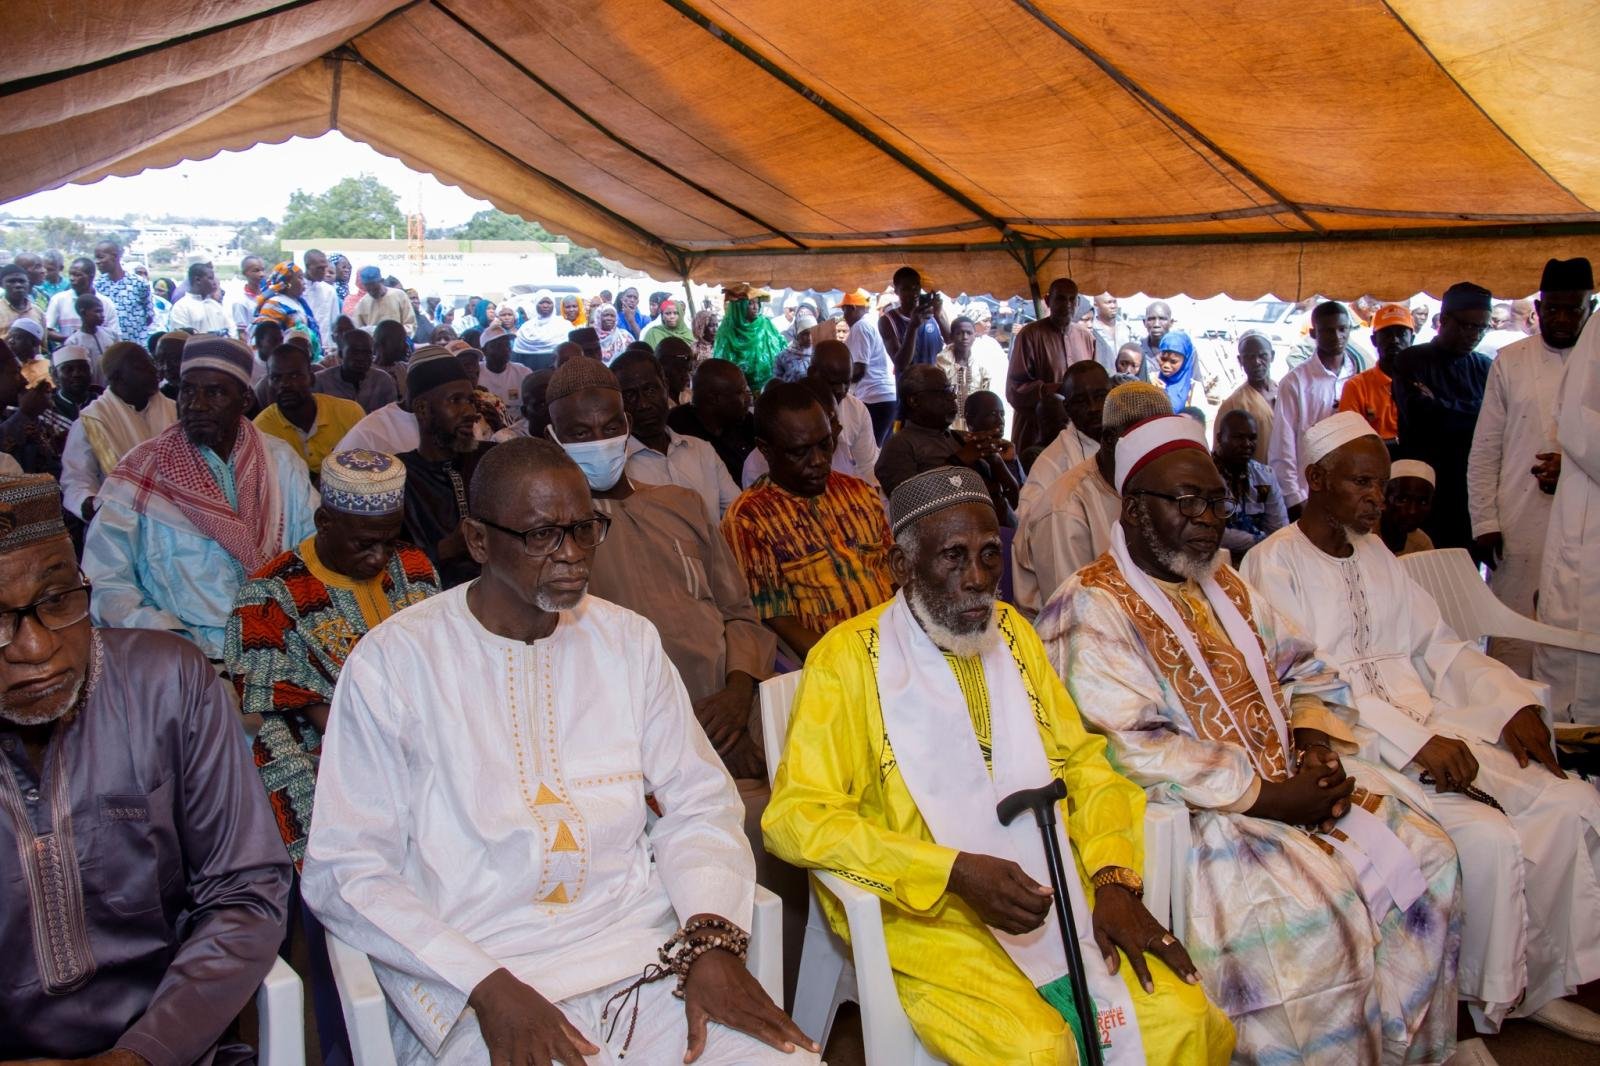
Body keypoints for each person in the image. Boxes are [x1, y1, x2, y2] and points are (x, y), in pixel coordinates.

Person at [300, 437, 819, 1066]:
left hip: (643, 957)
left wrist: (708, 940)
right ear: (479, 540)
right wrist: (488, 988)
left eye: (584, 529)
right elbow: (346, 868)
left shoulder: (627, 641)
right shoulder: (394, 664)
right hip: (480, 983)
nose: (573, 555)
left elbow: (699, 803)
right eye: (544, 535)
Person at [765, 464, 1235, 1064]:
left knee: (1184, 1018)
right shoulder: (847, 662)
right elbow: (796, 817)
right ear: (901, 568)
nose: (979, 580)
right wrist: (952, 872)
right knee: (1037, 1048)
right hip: (923, 908)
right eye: (954, 558)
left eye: (990, 555)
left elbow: (1085, 762)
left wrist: (1115, 881)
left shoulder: (1012, 633)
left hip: (1053, 878)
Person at [1037, 414, 1463, 1064]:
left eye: (1216, 500)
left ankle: (1395, 1050)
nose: (1209, 517)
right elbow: (1131, 745)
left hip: (1288, 787)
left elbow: (1308, 668)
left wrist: (1316, 747)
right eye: (1187, 501)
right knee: (1319, 916)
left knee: (1431, 853)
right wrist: (1270, 797)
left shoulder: (1227, 584)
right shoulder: (1089, 606)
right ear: (1133, 507)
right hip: (1200, 821)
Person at [1243, 414, 1600, 1040]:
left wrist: (1508, 702)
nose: (1378, 498)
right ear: (1317, 479)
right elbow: (1307, 691)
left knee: (1570, 801)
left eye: (1380, 483)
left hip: (1432, 722)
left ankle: (1540, 981)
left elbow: (1439, 647)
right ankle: (1474, 1004)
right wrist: (1415, 744)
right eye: (1362, 483)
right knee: (1487, 837)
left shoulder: (1380, 555)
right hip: (1357, 748)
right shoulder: (1273, 565)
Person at [0, 473, 293, 1064]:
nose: (34, 648)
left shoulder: (169, 683)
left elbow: (246, 890)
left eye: (57, 600)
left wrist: (143, 1053)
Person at [545, 359, 776, 786]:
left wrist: (738, 697)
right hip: (631, 738)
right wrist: (690, 729)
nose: (599, 441)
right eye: (580, 433)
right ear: (553, 438)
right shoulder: (552, 537)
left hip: (733, 708)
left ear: (627, 425)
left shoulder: (681, 504)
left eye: (610, 427)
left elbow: (739, 612)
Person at [226, 449, 439, 867]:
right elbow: (292, 708)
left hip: (424, 740)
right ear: (324, 523)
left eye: (389, 540)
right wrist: (392, 750)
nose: (379, 558)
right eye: (364, 543)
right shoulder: (269, 596)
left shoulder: (413, 566)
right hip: (326, 759)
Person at [83, 336, 319, 660]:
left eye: (215, 392)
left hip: (280, 643)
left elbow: (312, 549)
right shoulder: (142, 473)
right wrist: (172, 641)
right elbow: (107, 582)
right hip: (184, 657)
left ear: (245, 398)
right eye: (187, 390)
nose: (196, 404)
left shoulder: (280, 461)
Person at [1468, 257, 1592, 674]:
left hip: (1586, 526)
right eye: (1551, 308)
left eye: (1571, 308)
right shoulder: (1511, 360)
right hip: (1519, 523)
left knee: (1576, 640)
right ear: (1537, 309)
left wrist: (1573, 470)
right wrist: (1484, 520)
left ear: (1589, 307)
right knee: (1514, 642)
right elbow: (1486, 448)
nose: (1560, 318)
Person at [722, 383, 893, 660]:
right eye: (799, 451)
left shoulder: (859, 492)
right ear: (765, 450)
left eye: (825, 444)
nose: (819, 461)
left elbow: (896, 581)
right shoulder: (748, 520)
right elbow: (779, 620)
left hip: (895, 647)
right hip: (831, 665)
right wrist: (855, 663)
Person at [1012, 381, 1172, 615]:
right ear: (1109, 440)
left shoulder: (1147, 485)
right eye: (1145, 444)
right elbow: (1073, 615)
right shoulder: (1065, 509)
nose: (1158, 456)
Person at [1392, 281, 1495, 553]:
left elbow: (1494, 425)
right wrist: (1475, 409)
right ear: (1444, 319)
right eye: (1467, 325)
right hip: (1423, 498)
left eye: (1481, 327)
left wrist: (1445, 405)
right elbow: (1426, 418)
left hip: (1470, 494)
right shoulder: (1411, 360)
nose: (1474, 334)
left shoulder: (1485, 367)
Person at [396, 350, 494, 589]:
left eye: (470, 400)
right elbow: (389, 568)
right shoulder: (398, 477)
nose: (470, 412)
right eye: (456, 401)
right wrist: (449, 548)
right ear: (422, 410)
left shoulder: (492, 459)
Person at [608, 350, 740, 526]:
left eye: (650, 389)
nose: (643, 404)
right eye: (629, 395)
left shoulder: (702, 450)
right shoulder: (615, 468)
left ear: (666, 387)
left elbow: (738, 515)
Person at [60, 341, 175, 522]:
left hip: (178, 521)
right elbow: (76, 480)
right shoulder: (91, 422)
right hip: (122, 523)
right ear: (117, 377)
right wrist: (89, 503)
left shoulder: (174, 410)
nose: (155, 370)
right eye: (142, 367)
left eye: (152, 363)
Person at [876, 365, 1017, 509]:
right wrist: (958, 461)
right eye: (944, 391)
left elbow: (1015, 501)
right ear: (914, 401)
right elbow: (908, 505)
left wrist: (996, 460)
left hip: (998, 525)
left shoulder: (963, 438)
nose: (953, 396)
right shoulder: (899, 446)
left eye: (951, 389)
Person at [1270, 301, 1360, 519]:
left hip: (1349, 492)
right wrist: (1295, 497)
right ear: (1313, 333)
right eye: (1328, 330)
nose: (1337, 336)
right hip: (1308, 492)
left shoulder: (1357, 375)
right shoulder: (1295, 382)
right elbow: (1283, 446)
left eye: (1342, 329)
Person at [1007, 277, 1098, 452]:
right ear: (1048, 301)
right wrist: (1054, 390)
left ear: (1078, 302)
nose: (1067, 305)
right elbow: (1014, 389)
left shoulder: (1086, 338)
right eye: (1061, 298)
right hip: (1036, 433)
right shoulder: (1029, 335)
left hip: (1077, 433)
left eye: (1072, 299)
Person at [254, 343, 366, 484]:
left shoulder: (350, 413)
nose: (285, 384)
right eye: (276, 378)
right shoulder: (260, 431)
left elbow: (368, 470)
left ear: (311, 379)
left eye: (294, 376)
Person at [1017, 361, 1109, 515]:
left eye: (1100, 396)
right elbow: (1027, 518)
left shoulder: (1128, 442)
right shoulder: (1053, 461)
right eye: (1081, 401)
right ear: (1067, 408)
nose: (1093, 407)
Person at [1212, 409, 1286, 563]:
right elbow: (1212, 532)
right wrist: (1258, 541)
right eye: (1238, 437)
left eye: (1252, 438)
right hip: (1214, 561)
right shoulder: (1205, 476)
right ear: (1220, 438)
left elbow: (1279, 530)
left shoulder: (1265, 476)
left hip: (1261, 561)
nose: (1246, 444)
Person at [669, 357, 757, 483]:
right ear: (714, 399)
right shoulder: (678, 429)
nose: (748, 399)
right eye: (740, 392)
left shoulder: (745, 421)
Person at [805, 338, 880, 484]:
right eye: (833, 383)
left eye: (846, 382)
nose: (841, 390)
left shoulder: (857, 410)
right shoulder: (792, 411)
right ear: (812, 373)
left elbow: (868, 467)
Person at [1338, 303, 1414, 443]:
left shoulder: (1425, 382)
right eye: (1387, 334)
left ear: (1412, 339)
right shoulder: (1356, 387)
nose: (1395, 340)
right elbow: (1350, 441)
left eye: (1401, 333)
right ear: (1374, 341)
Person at [841, 288, 897, 442]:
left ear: (852, 308)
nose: (843, 316)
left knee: (869, 451)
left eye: (844, 311)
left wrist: (838, 381)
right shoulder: (871, 323)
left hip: (874, 397)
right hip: (885, 397)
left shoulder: (860, 327)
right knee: (880, 450)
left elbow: (859, 369)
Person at [937, 315, 1009, 434]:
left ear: (975, 336)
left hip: (975, 424)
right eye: (959, 333)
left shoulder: (982, 363)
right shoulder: (942, 363)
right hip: (947, 424)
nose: (964, 337)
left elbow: (987, 395)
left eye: (969, 333)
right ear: (951, 337)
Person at [1213, 332, 1275, 464]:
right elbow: (1219, 452)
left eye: (1262, 355)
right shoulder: (1233, 404)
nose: (1256, 362)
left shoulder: (1284, 391)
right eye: (1249, 357)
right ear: (1240, 360)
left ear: (1272, 356)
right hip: (1255, 481)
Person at [877, 266, 948, 378]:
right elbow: (901, 364)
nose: (913, 293)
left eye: (916, 288)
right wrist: (912, 327)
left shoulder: (933, 313)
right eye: (906, 289)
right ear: (896, 291)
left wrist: (939, 317)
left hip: (936, 385)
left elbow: (952, 343)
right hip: (909, 391)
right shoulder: (888, 321)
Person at [713, 284, 785, 392]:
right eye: (750, 303)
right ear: (738, 306)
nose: (756, 307)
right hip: (740, 392)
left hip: (770, 387)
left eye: (757, 303)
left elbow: (782, 348)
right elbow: (722, 366)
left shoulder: (766, 325)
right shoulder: (727, 332)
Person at [315, 326, 399, 414]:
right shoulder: (321, 382)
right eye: (355, 352)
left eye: (367, 353)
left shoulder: (383, 380)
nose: (361, 358)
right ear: (340, 354)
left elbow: (392, 416)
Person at [253, 259, 323, 361]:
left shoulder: (300, 302)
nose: (304, 282)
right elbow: (269, 340)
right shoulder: (273, 305)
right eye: (300, 278)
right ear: (287, 283)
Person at [45, 256, 118, 346]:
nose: (72, 278)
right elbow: (47, 331)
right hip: (71, 355)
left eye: (77, 275)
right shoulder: (58, 299)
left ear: (91, 276)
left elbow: (114, 335)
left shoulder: (106, 303)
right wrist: (72, 339)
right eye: (70, 274)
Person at [93, 240, 153, 341]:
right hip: (109, 347)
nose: (97, 262)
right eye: (96, 258)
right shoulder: (97, 285)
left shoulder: (138, 283)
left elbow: (149, 316)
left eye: (101, 257)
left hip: (136, 346)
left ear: (115, 256)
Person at [1379, 459, 1437, 556]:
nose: (1412, 511)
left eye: (1422, 502)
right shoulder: (1360, 538)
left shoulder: (1421, 545)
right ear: (1383, 499)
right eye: (1403, 500)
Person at [165, 262, 231, 336]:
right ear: (198, 280)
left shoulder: (215, 305)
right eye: (210, 278)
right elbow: (180, 338)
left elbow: (230, 330)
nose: (214, 283)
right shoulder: (181, 307)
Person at [477, 326, 533, 407]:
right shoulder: (476, 373)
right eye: (498, 345)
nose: (505, 349)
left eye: (507, 344)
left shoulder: (523, 373)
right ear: (484, 351)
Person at [512, 290, 569, 368]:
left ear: (554, 304)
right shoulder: (526, 327)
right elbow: (517, 354)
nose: (545, 306)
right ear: (536, 304)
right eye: (541, 302)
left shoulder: (564, 326)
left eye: (549, 302)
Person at [352, 265, 417, 333]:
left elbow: (411, 324)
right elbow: (358, 331)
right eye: (369, 290)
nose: (372, 293)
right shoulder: (363, 304)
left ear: (382, 281)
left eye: (375, 289)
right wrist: (372, 331)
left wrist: (393, 332)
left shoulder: (399, 296)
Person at [1088, 291, 1137, 371]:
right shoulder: (1091, 329)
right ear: (1096, 304)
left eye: (1114, 302)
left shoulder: (1127, 328)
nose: (1113, 306)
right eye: (1108, 303)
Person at [50, 343, 100, 419]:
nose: (77, 374)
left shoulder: (102, 402)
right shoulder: (48, 408)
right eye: (69, 370)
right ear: (55, 375)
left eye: (83, 368)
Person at [1154, 332, 1198, 411]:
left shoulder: (1194, 390)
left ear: (1185, 362)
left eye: (1173, 361)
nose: (1166, 365)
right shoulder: (1152, 380)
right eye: (1163, 359)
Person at [301, 248, 340, 332]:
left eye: (325, 267)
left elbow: (335, 321)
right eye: (319, 268)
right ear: (308, 266)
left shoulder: (329, 291)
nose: (323, 272)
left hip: (325, 343)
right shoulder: (297, 290)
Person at [229, 254, 267, 340]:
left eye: (263, 270)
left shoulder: (269, 297)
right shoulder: (240, 302)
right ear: (245, 273)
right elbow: (242, 334)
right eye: (256, 270)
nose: (261, 274)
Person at [771, 311, 816, 383]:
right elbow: (777, 384)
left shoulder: (819, 353)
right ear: (796, 333)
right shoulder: (783, 356)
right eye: (805, 333)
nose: (810, 337)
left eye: (813, 332)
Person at [0, 264, 45, 335]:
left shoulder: (38, 312)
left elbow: (43, 344)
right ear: (1, 284)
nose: (18, 285)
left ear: (28, 283)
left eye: (22, 281)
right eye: (11, 281)